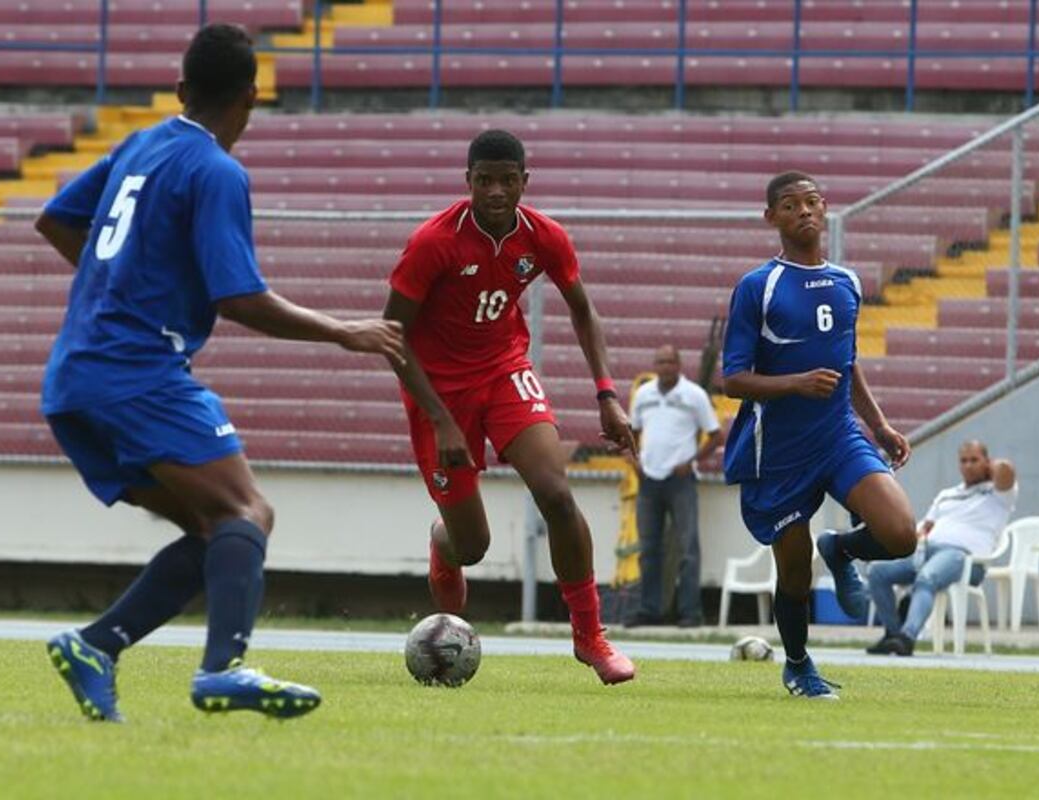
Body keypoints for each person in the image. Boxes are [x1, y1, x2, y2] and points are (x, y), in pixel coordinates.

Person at [34, 24, 404, 722]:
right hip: (135, 371)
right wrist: (345, 332)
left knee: (215, 532)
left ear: (180, 91)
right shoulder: (218, 170)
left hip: (71, 381)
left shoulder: (141, 143)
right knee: (246, 511)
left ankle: (95, 645)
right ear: (251, 99)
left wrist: (119, 285)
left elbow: (56, 220)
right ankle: (222, 670)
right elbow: (240, 298)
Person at [383, 129, 637, 685]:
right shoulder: (434, 242)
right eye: (484, 180)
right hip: (437, 392)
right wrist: (442, 419)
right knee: (471, 547)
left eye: (507, 180)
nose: (496, 191)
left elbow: (583, 310)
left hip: (504, 370)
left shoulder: (544, 236)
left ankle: (590, 637)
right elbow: (392, 334)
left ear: (525, 181)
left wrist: (606, 394)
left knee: (557, 494)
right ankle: (443, 544)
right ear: (468, 181)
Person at [720, 171, 918, 700]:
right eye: (790, 205)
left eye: (811, 202)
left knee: (901, 532)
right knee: (792, 575)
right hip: (777, 452)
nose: (803, 211)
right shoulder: (757, 286)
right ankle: (798, 664)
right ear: (772, 219)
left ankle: (843, 549)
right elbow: (732, 378)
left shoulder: (847, 282)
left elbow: (846, 364)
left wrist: (878, 425)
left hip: (838, 437)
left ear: (825, 208)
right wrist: (794, 383)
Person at [866, 441, 1018, 656]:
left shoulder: (998, 493)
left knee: (926, 578)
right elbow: (925, 526)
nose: (968, 465)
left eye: (974, 460)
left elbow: (1007, 471)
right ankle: (893, 635)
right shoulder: (947, 494)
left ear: (987, 462)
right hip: (927, 551)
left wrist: (992, 468)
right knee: (877, 571)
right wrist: (918, 538)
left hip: (964, 557)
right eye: (963, 461)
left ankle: (907, 637)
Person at [626, 345, 724, 628]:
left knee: (688, 547)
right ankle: (649, 610)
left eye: (670, 361)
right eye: (660, 361)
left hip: (681, 479)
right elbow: (632, 432)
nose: (665, 366)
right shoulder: (643, 395)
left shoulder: (694, 395)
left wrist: (692, 460)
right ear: (654, 365)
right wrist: (634, 463)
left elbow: (716, 436)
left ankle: (690, 612)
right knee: (648, 549)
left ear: (679, 365)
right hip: (649, 480)